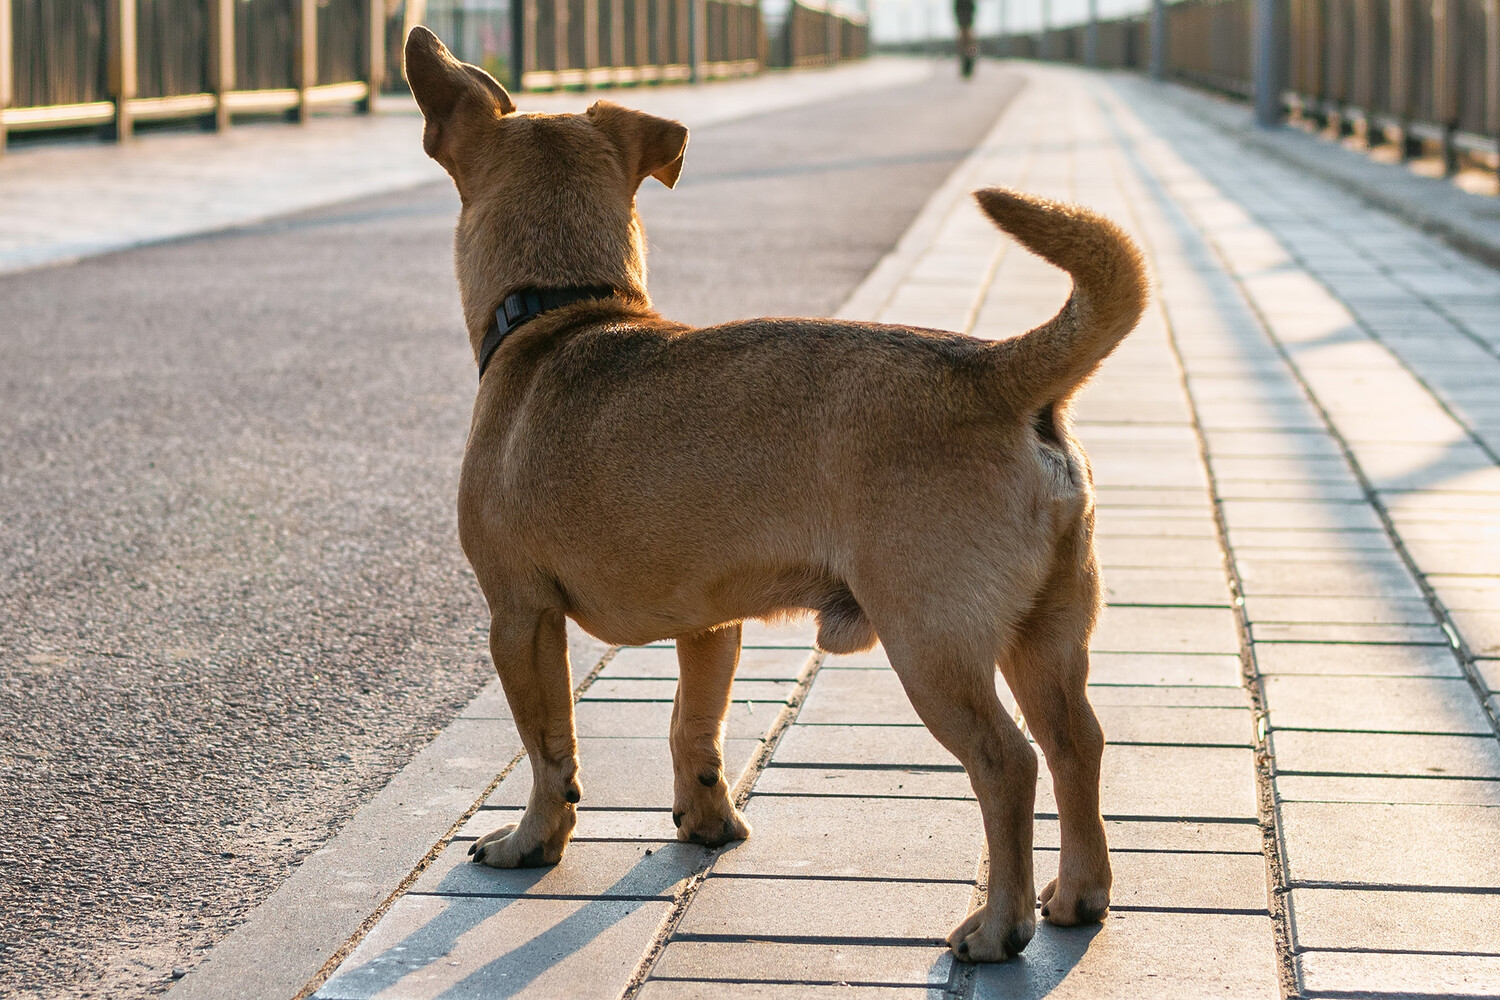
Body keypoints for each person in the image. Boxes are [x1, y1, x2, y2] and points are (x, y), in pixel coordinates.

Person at [955, 0, 978, 78]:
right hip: (964, 21)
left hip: (966, 21)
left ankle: (970, 61)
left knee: (968, 42)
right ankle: (967, 62)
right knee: (966, 41)